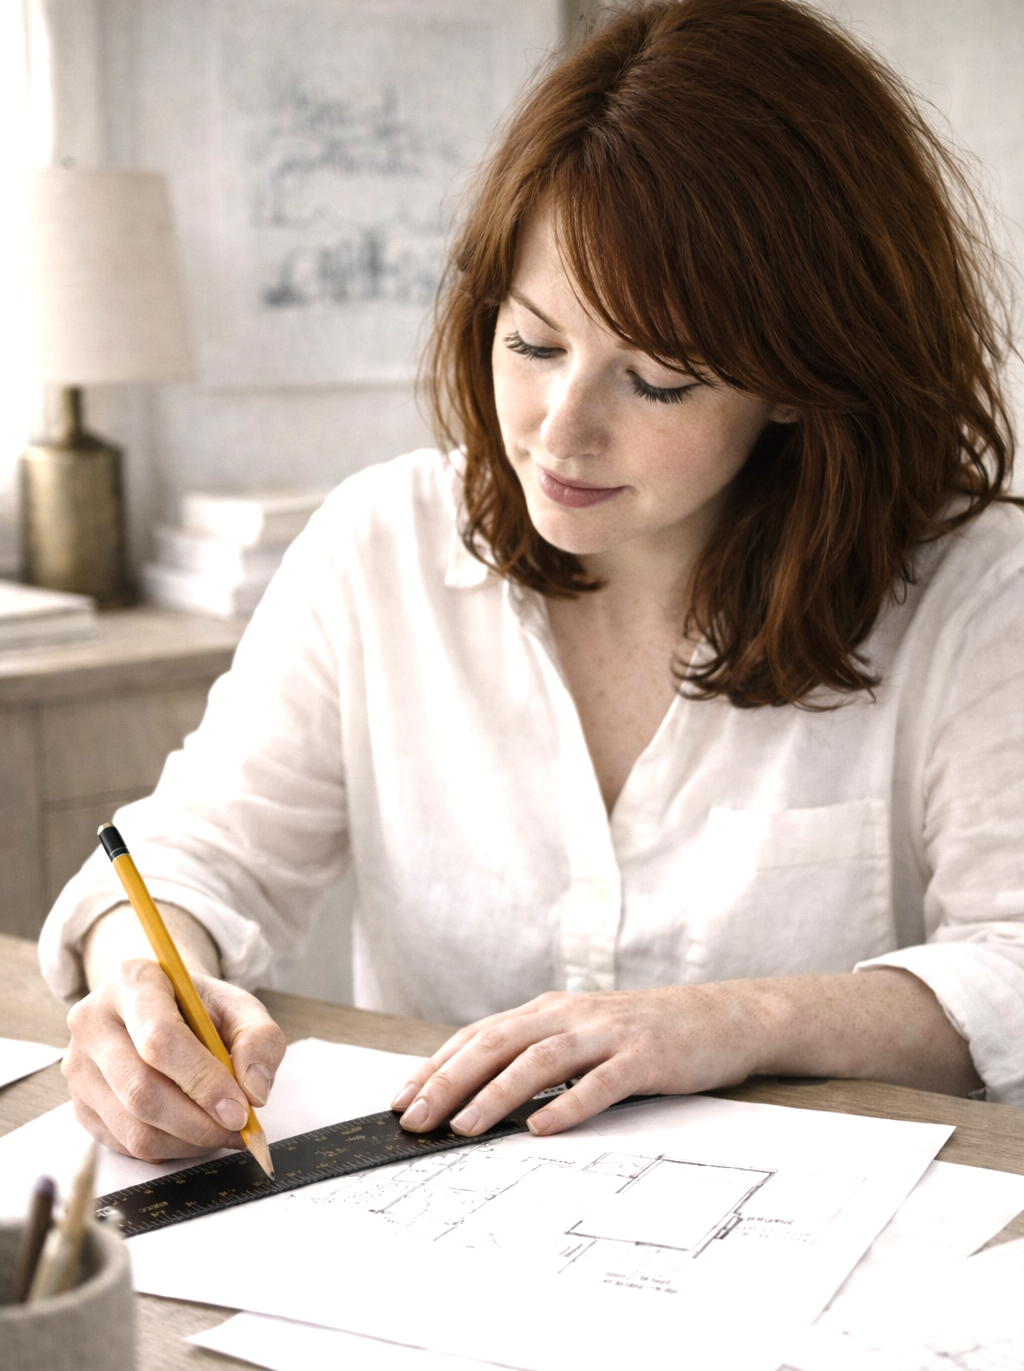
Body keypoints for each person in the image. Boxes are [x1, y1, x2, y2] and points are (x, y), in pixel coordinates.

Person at [44, 0, 1024, 1163]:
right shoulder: (381, 544)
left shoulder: (974, 591)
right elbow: (189, 858)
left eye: (656, 380)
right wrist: (143, 981)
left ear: (800, 379)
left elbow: (1012, 961)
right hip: (429, 1235)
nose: (561, 432)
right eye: (534, 343)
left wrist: (736, 1021)